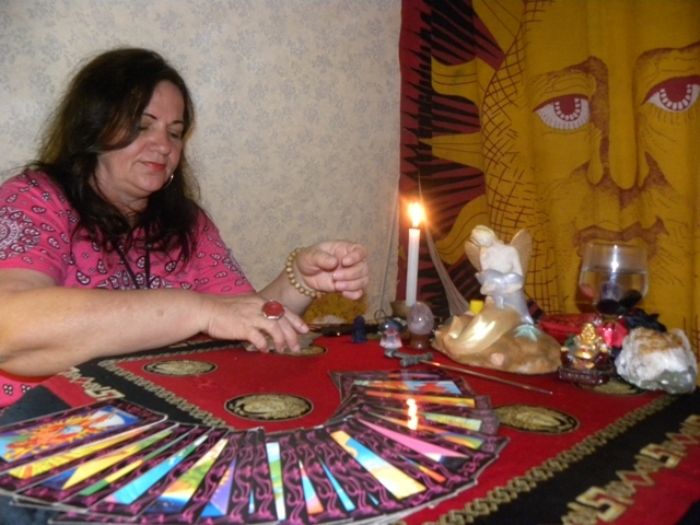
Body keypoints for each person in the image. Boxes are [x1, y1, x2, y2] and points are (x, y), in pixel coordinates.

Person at [0, 48, 369, 389]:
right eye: (142, 126)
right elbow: (9, 327)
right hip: (47, 426)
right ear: (93, 127)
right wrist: (196, 309)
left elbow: (243, 321)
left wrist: (299, 282)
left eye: (175, 133)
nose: (164, 146)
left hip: (166, 420)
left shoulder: (187, 223)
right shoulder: (33, 198)